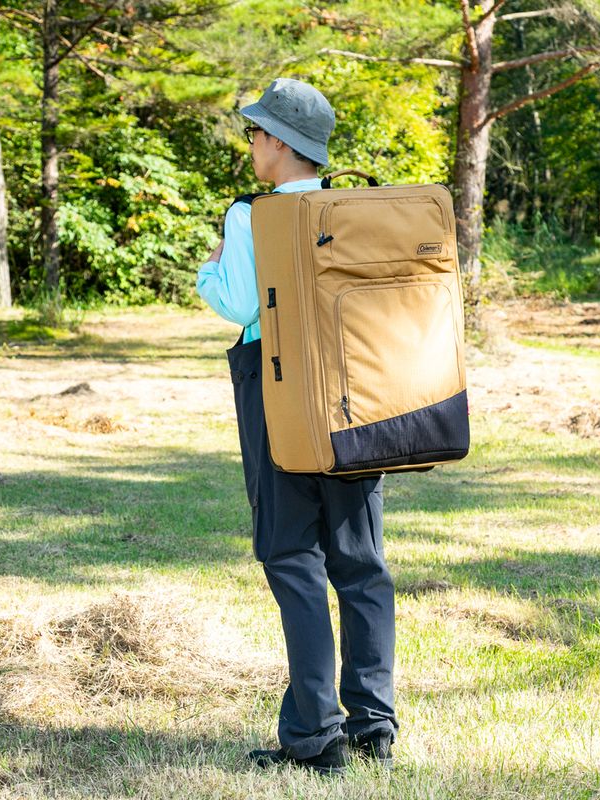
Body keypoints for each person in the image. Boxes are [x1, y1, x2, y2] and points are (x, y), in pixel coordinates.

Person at [196, 78, 398, 776]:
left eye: (255, 133)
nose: (251, 144)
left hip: (279, 390)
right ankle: (374, 727)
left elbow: (241, 301)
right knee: (360, 562)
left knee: (291, 555)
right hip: (359, 396)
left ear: (279, 142)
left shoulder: (251, 216)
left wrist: (208, 274)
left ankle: (315, 737)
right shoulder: (359, 206)